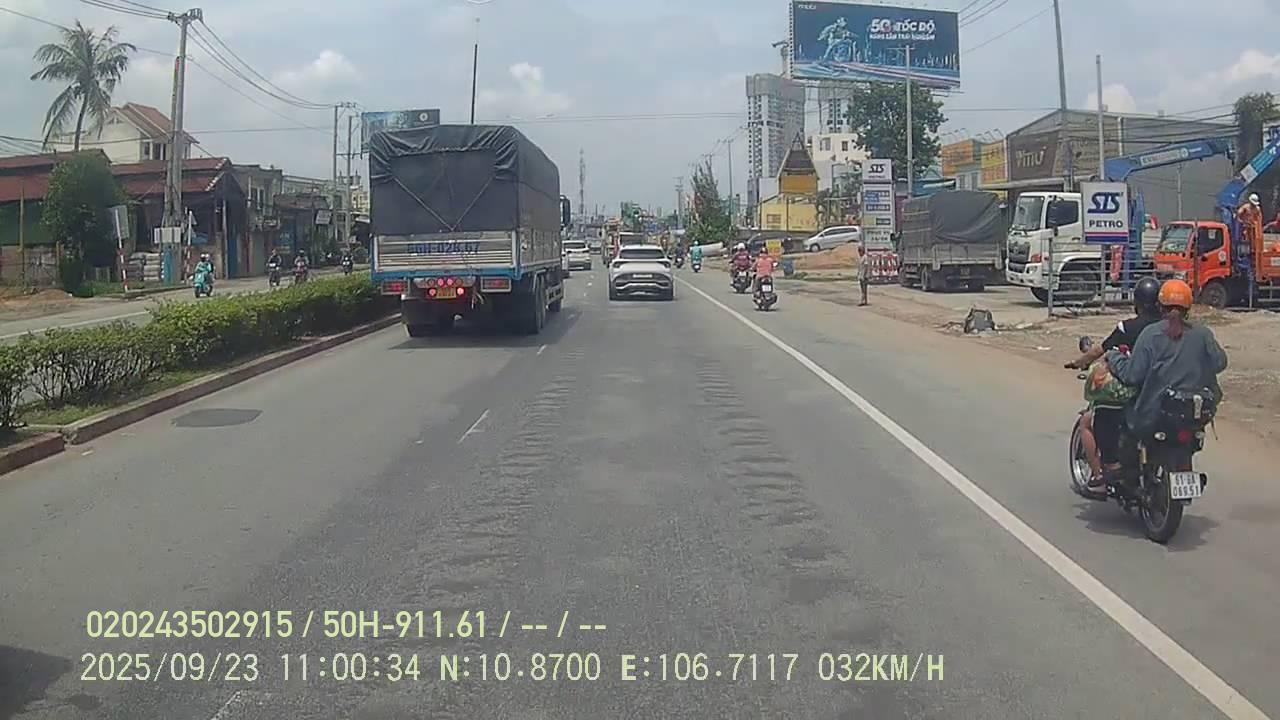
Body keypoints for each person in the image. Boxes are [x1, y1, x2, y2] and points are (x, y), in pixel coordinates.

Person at [1106, 279, 1228, 463]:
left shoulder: (1150, 334)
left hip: (1153, 416)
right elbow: (1220, 363)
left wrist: (1114, 357)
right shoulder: (1203, 334)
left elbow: (1132, 375)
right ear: (1189, 308)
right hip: (1194, 416)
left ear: (1160, 306)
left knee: (1122, 418)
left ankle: (1126, 468)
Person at [1064, 276, 1163, 491]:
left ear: (1137, 302)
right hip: (1162, 394)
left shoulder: (1128, 328)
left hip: (1136, 393)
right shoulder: (1171, 329)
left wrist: (1080, 362)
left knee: (1090, 420)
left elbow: (1102, 349)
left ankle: (1101, 474)